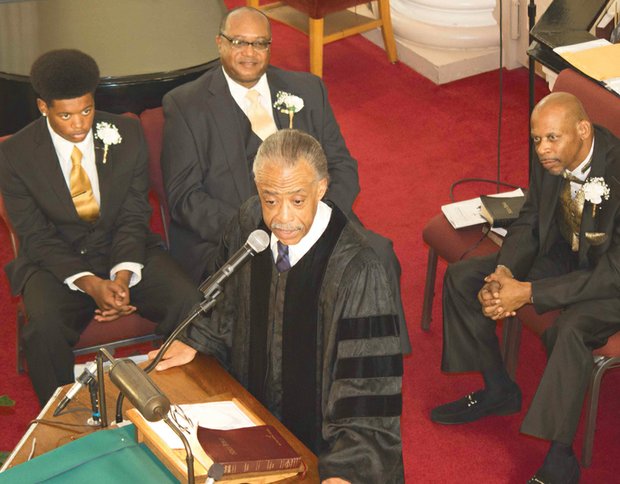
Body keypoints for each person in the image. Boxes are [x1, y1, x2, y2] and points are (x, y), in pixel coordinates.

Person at [151, 129, 404, 483]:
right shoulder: (249, 225)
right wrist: (198, 338)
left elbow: (368, 390)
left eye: (297, 200)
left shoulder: (358, 270)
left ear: (322, 187)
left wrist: (347, 470)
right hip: (253, 428)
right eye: (270, 200)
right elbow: (224, 299)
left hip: (324, 453)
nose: (282, 218)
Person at [160, 6, 410, 354]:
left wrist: (315, 220)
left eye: (260, 44)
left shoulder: (307, 88)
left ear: (271, 47)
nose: (249, 53)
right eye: (239, 42)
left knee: (377, 255)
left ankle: (370, 361)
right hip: (243, 238)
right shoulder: (186, 105)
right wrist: (260, 230)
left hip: (312, 219)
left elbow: (341, 165)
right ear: (219, 43)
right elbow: (185, 198)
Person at [430, 92, 620, 483]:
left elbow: (612, 272)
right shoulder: (551, 159)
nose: (542, 149)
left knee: (570, 330)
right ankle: (499, 388)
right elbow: (532, 220)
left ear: (583, 131)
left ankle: (560, 457)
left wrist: (529, 292)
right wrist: (503, 274)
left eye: (552, 138)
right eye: (536, 140)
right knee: (467, 277)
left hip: (611, 279)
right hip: (567, 253)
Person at [0, 49, 203, 405]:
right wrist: (92, 284)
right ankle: (62, 417)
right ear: (43, 108)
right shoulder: (14, 154)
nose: (80, 124)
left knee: (189, 301)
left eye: (87, 110)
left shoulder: (126, 132)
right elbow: (35, 234)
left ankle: (180, 400)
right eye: (66, 115)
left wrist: (122, 278)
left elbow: (135, 211)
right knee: (44, 330)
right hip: (55, 262)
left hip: (124, 247)